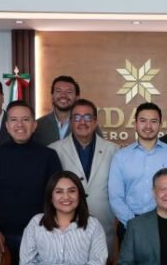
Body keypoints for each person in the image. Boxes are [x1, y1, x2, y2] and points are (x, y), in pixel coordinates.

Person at [0, 100, 62, 265]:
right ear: (7, 126)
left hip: (41, 235)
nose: (20, 125)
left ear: (34, 125)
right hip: (4, 237)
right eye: (14, 120)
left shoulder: (49, 156)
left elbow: (56, 196)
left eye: (25, 119)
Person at [108, 102, 167, 239]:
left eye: (153, 121)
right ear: (135, 124)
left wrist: (166, 221)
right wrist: (134, 223)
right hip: (130, 225)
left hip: (166, 223)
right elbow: (115, 197)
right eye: (143, 121)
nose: (148, 126)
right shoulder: (121, 156)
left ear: (160, 124)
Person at [50, 98, 118, 255]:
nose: (82, 122)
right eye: (77, 117)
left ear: (95, 121)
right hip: (66, 228)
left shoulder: (113, 150)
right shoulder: (54, 150)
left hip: (104, 225)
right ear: (71, 121)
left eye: (87, 117)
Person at [19, 171, 107, 265]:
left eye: (72, 191)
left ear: (80, 195)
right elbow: (26, 263)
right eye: (59, 192)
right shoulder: (36, 223)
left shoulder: (93, 225)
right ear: (50, 197)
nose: (66, 197)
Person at [34, 75, 79, 146]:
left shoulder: (86, 124)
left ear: (76, 98)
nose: (63, 95)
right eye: (58, 91)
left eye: (69, 92)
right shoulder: (38, 125)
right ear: (52, 96)